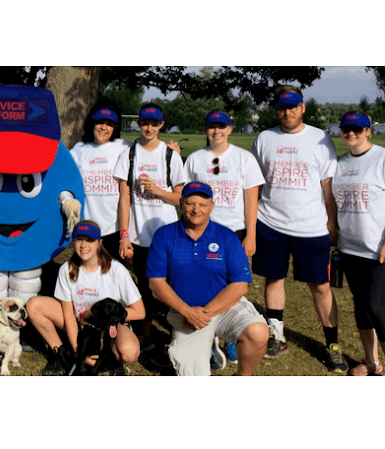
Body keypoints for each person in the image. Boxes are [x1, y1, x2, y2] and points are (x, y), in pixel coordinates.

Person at [251, 86, 347, 373]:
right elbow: (255, 183)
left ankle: (333, 344)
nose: (287, 112)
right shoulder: (265, 138)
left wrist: (332, 224)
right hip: (270, 222)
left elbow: (327, 186)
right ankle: (276, 335)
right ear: (275, 110)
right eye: (282, 107)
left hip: (311, 226)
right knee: (273, 279)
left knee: (320, 287)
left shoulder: (319, 138)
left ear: (302, 107)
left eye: (293, 107)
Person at [147, 182, 269, 376]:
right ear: (181, 203)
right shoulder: (164, 236)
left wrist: (203, 314)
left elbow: (240, 286)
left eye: (203, 205)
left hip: (224, 308)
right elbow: (156, 283)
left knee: (258, 331)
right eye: (190, 203)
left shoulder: (227, 237)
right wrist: (187, 312)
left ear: (212, 206)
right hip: (184, 313)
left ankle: (242, 377)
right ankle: (207, 344)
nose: (196, 209)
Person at [183, 109, 265, 366]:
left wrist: (250, 234)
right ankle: (206, 341)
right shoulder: (195, 159)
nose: (216, 131)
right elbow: (185, 197)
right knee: (201, 284)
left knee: (233, 286)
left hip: (235, 232)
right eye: (211, 127)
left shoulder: (244, 158)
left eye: (222, 126)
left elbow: (252, 198)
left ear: (230, 129)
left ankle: (230, 337)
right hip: (201, 231)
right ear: (205, 130)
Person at [113, 103, 186, 358]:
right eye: (145, 123)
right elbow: (124, 199)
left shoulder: (170, 156)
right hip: (138, 235)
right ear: (138, 123)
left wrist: (157, 190)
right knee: (143, 286)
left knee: (172, 286)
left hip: (167, 235)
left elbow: (181, 199)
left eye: (154, 124)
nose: (149, 128)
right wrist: (124, 235)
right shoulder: (130, 155)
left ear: (162, 126)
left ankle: (179, 336)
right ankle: (146, 334)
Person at [26, 221, 144, 375]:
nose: (83, 245)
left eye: (89, 240)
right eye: (79, 239)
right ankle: (60, 354)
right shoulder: (66, 269)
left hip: (110, 326)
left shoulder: (116, 269)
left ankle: (112, 360)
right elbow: (68, 313)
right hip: (80, 323)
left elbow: (140, 311)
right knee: (34, 305)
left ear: (99, 243)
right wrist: (78, 350)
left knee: (129, 352)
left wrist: (101, 316)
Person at [332, 111, 385, 376]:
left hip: (378, 249)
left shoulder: (382, 158)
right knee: (361, 307)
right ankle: (372, 361)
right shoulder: (339, 163)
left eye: (357, 129)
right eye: (346, 129)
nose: (350, 133)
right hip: (350, 247)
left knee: (378, 308)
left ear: (367, 131)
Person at [70, 102, 131, 259]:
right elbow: (62, 172)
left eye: (109, 124)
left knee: (111, 273)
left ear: (115, 128)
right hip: (87, 226)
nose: (104, 127)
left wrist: (171, 150)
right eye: (100, 122)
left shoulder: (123, 147)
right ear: (92, 124)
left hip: (113, 227)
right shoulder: (79, 149)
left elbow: (148, 150)